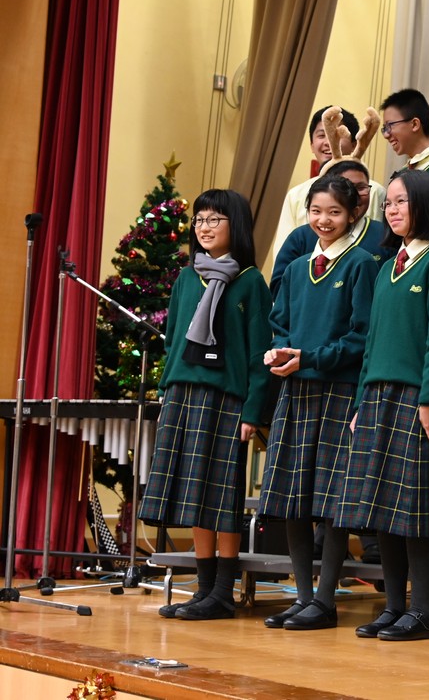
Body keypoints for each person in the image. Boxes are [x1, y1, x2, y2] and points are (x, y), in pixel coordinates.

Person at [336, 169, 429, 641]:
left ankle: (422, 610)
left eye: (401, 201)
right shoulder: (388, 265)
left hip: (416, 399)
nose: (391, 210)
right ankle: (393, 607)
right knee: (381, 509)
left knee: (415, 513)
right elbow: (371, 343)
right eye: (387, 202)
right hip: (376, 398)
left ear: (424, 204)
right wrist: (360, 403)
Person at [138, 189, 272, 620]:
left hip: (227, 400)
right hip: (183, 395)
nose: (204, 227)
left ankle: (223, 593)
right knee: (193, 494)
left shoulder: (250, 281)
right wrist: (166, 390)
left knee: (222, 495)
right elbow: (173, 341)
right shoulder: (185, 278)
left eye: (215, 219)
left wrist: (252, 411)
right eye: (199, 220)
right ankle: (204, 588)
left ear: (236, 225)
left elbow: (259, 354)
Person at [259, 173, 378, 629]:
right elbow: (280, 324)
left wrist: (309, 358)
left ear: (353, 214)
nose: (324, 220)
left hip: (337, 393)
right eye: (316, 211)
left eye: (334, 212)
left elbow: (361, 336)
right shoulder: (294, 269)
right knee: (293, 497)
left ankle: (325, 599)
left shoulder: (361, 264)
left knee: (332, 503)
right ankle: (303, 596)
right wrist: (279, 350)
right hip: (296, 390)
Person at [269, 110, 388, 295]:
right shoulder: (301, 237)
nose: (353, 196)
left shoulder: (382, 235)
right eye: (316, 210)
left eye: (361, 188)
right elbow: (280, 285)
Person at [381, 88, 429, 194]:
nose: (386, 135)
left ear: (415, 124)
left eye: (390, 126)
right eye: (384, 128)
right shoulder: (403, 172)